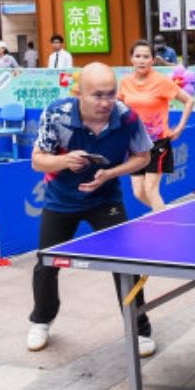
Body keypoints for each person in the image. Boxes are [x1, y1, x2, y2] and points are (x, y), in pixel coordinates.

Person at [27, 62, 155, 356]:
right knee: (46, 263)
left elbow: (143, 157)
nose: (106, 102)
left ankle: (139, 328)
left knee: (126, 264)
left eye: (111, 94)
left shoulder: (127, 117)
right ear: (79, 94)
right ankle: (41, 320)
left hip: (106, 200)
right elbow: (37, 160)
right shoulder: (57, 114)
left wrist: (110, 174)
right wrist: (65, 161)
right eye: (97, 95)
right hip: (61, 200)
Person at [118, 40, 195, 211]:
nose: (141, 60)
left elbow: (189, 100)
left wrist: (180, 127)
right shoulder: (125, 82)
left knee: (150, 189)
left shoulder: (161, 81)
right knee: (138, 192)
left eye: (146, 57)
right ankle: (165, 213)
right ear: (131, 59)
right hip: (135, 143)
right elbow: (118, 106)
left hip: (157, 142)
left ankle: (165, 221)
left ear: (153, 60)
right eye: (138, 56)